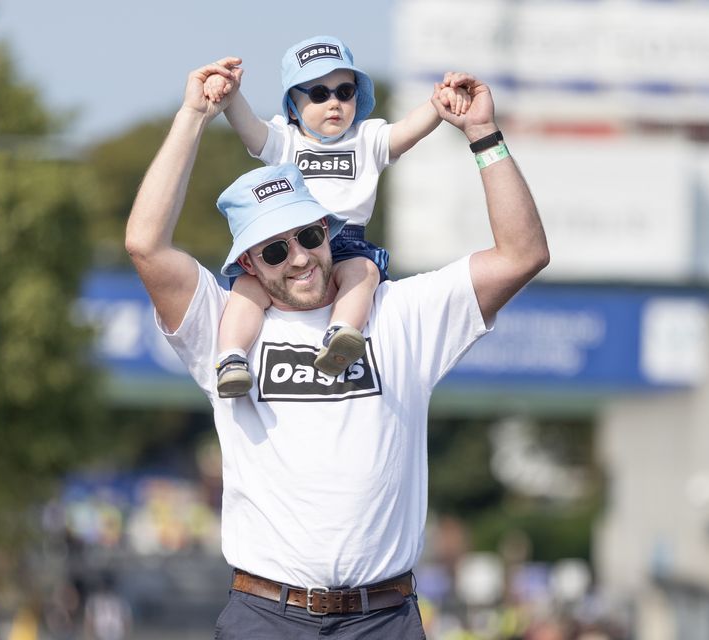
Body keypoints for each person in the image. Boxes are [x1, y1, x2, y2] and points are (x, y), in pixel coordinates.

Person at [124, 56, 548, 639]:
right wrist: (194, 115)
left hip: (384, 618)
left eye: (309, 235)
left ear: (328, 228)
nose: (299, 257)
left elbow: (521, 256)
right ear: (248, 263)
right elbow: (145, 245)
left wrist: (483, 135)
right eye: (274, 251)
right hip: (265, 616)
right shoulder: (225, 326)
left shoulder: (398, 312)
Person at [200, 35, 469, 398]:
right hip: (289, 246)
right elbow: (248, 126)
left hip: (348, 242)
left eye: (344, 91)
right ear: (293, 108)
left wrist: (438, 105)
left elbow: (407, 131)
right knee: (247, 289)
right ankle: (231, 358)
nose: (334, 103)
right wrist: (230, 95)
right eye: (318, 94)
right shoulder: (285, 139)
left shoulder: (369, 137)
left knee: (364, 273)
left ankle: (340, 337)